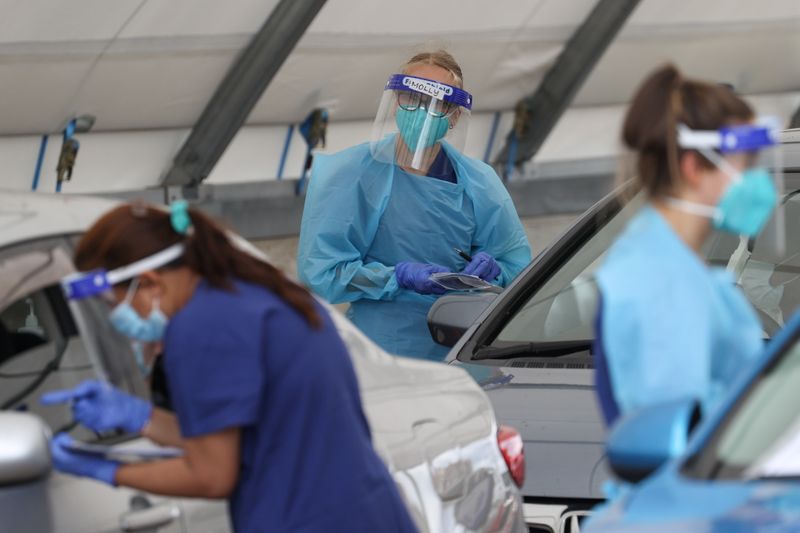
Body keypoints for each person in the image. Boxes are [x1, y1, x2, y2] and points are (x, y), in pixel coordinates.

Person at [41, 202, 418, 533]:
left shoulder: (201, 327)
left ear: (150, 283)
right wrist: (141, 417)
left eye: (114, 304)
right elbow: (246, 437)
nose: (117, 317)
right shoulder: (256, 294)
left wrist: (104, 469)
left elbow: (212, 474)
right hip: (363, 513)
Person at [297, 50, 532, 361]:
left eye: (437, 105)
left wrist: (495, 270)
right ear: (397, 103)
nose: (422, 112)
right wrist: (397, 277)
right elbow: (321, 271)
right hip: (378, 351)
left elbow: (517, 268)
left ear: (454, 116)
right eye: (413, 98)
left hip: (459, 347)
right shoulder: (351, 173)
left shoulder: (479, 183)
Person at [594, 64, 781, 426]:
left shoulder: (668, 263)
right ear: (695, 167)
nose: (758, 180)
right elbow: (680, 433)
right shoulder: (658, 281)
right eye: (746, 163)